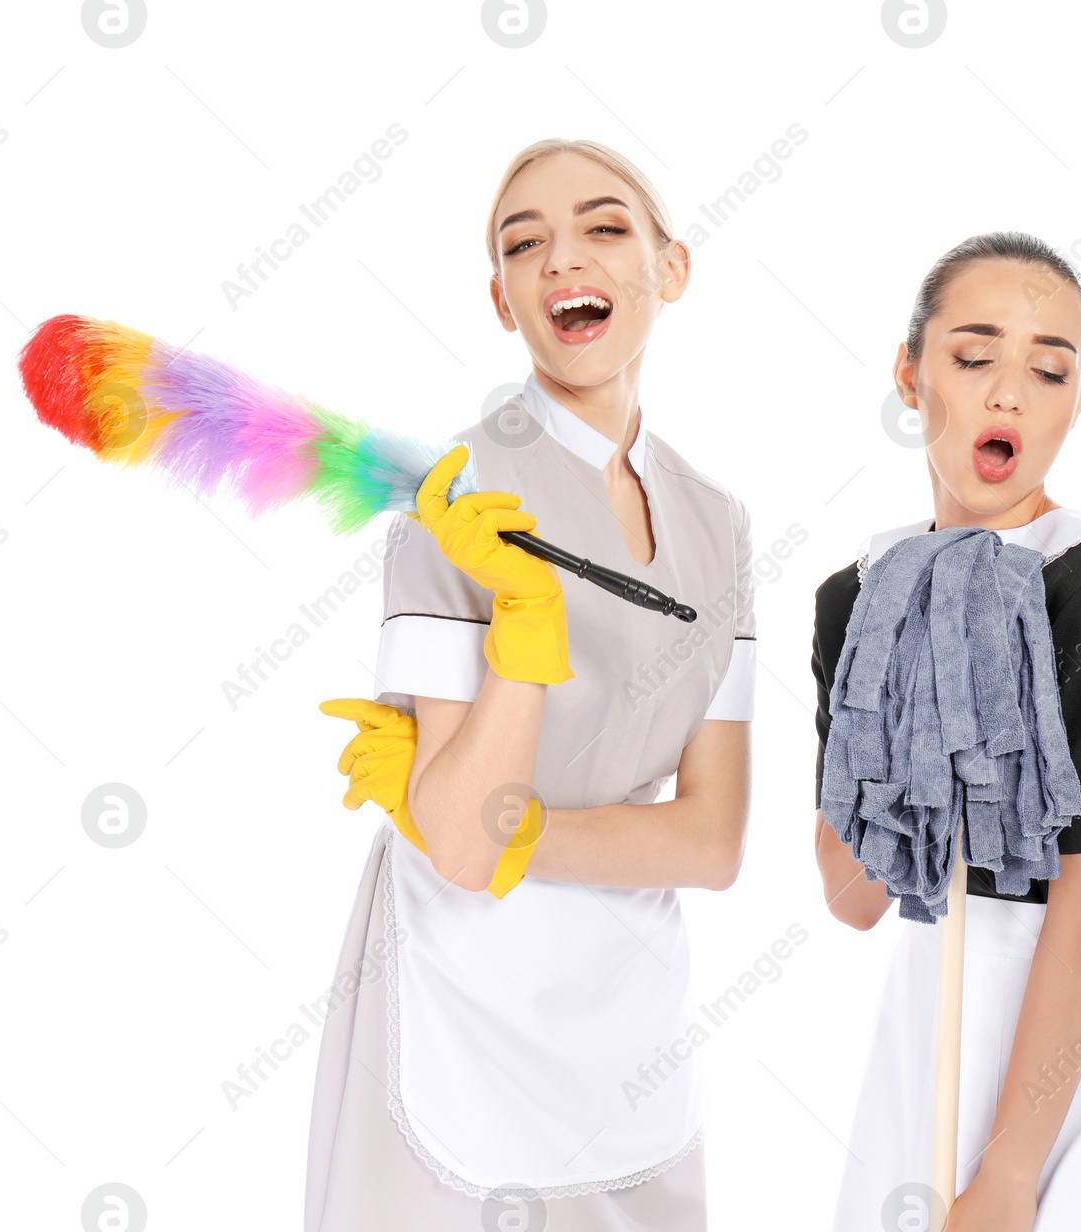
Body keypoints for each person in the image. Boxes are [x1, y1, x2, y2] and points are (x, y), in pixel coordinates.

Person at [305, 138, 756, 1232]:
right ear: (502, 300)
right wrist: (523, 630)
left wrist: (501, 828)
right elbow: (460, 856)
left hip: (624, 1009)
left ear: (672, 266)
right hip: (458, 991)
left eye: (603, 227)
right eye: (523, 244)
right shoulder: (457, 499)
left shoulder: (717, 522)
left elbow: (712, 842)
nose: (562, 260)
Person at [813, 232, 1081, 1231]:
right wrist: (908, 745)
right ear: (910, 376)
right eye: (972, 354)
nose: (1010, 395)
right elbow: (852, 894)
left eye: (1049, 368)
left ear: (1075, 401)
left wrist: (1005, 1174)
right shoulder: (857, 601)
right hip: (933, 1012)